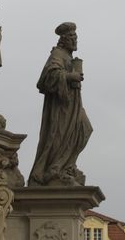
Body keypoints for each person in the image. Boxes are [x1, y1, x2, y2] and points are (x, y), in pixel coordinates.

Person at [28, 22, 93, 186]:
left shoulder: (69, 57)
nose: (75, 40)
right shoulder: (58, 54)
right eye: (71, 37)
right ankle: (54, 169)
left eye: (76, 37)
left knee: (84, 129)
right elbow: (46, 78)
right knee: (59, 136)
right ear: (63, 40)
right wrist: (70, 77)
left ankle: (67, 165)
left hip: (73, 104)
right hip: (61, 107)